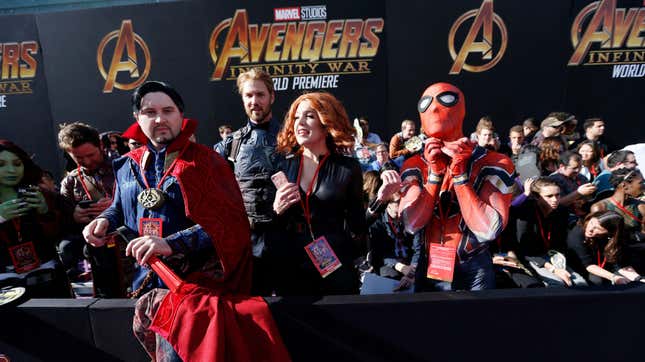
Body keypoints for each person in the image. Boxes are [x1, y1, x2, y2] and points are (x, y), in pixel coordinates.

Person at [83, 81, 276, 361]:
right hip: (146, 284)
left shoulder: (207, 162)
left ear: (180, 115)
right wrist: (103, 221)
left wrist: (170, 243)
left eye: (167, 110)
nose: (160, 119)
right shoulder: (128, 164)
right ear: (137, 118)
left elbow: (229, 224)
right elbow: (119, 207)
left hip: (194, 289)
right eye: (150, 112)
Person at [379, 82, 516, 291]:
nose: (434, 108)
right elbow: (411, 224)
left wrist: (460, 177)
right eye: (426, 103)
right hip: (432, 263)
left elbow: (489, 229)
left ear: (461, 108)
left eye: (445, 99)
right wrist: (434, 175)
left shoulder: (495, 162)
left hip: (473, 266)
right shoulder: (414, 165)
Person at [271, 91, 366, 296]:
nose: (300, 123)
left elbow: (358, 225)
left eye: (309, 116)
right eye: (296, 117)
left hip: (335, 267)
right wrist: (276, 209)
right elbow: (267, 225)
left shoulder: (347, 168)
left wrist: (381, 202)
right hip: (290, 267)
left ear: (326, 122)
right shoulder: (281, 165)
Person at [215, 68, 281, 296]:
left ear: (272, 96)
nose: (255, 101)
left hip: (288, 244)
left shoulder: (292, 139)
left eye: (260, 95)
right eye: (249, 95)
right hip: (245, 247)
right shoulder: (229, 145)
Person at [0, 140, 72, 298]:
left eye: (17, 164)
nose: (11, 170)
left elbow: (65, 230)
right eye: (1, 164)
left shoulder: (40, 194)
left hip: (46, 277)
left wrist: (46, 212)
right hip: (5, 286)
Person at [58, 122, 117, 296]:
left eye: (90, 155)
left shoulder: (126, 167)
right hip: (95, 252)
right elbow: (60, 222)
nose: (87, 162)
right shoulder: (70, 181)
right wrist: (73, 216)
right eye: (78, 158)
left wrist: (118, 205)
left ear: (100, 145)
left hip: (129, 245)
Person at [502, 177, 586, 287]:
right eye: (549, 196)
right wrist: (552, 269)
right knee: (557, 284)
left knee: (581, 283)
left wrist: (559, 263)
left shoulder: (561, 212)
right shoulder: (526, 214)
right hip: (531, 257)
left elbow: (560, 243)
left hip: (552, 255)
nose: (555, 199)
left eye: (558, 195)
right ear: (537, 197)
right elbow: (524, 250)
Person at [567, 211, 645, 286]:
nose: (590, 229)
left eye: (598, 229)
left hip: (604, 266)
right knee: (597, 281)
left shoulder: (613, 238)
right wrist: (614, 278)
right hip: (581, 267)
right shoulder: (577, 235)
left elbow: (620, 264)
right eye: (591, 223)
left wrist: (638, 278)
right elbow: (588, 265)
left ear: (609, 232)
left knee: (630, 280)